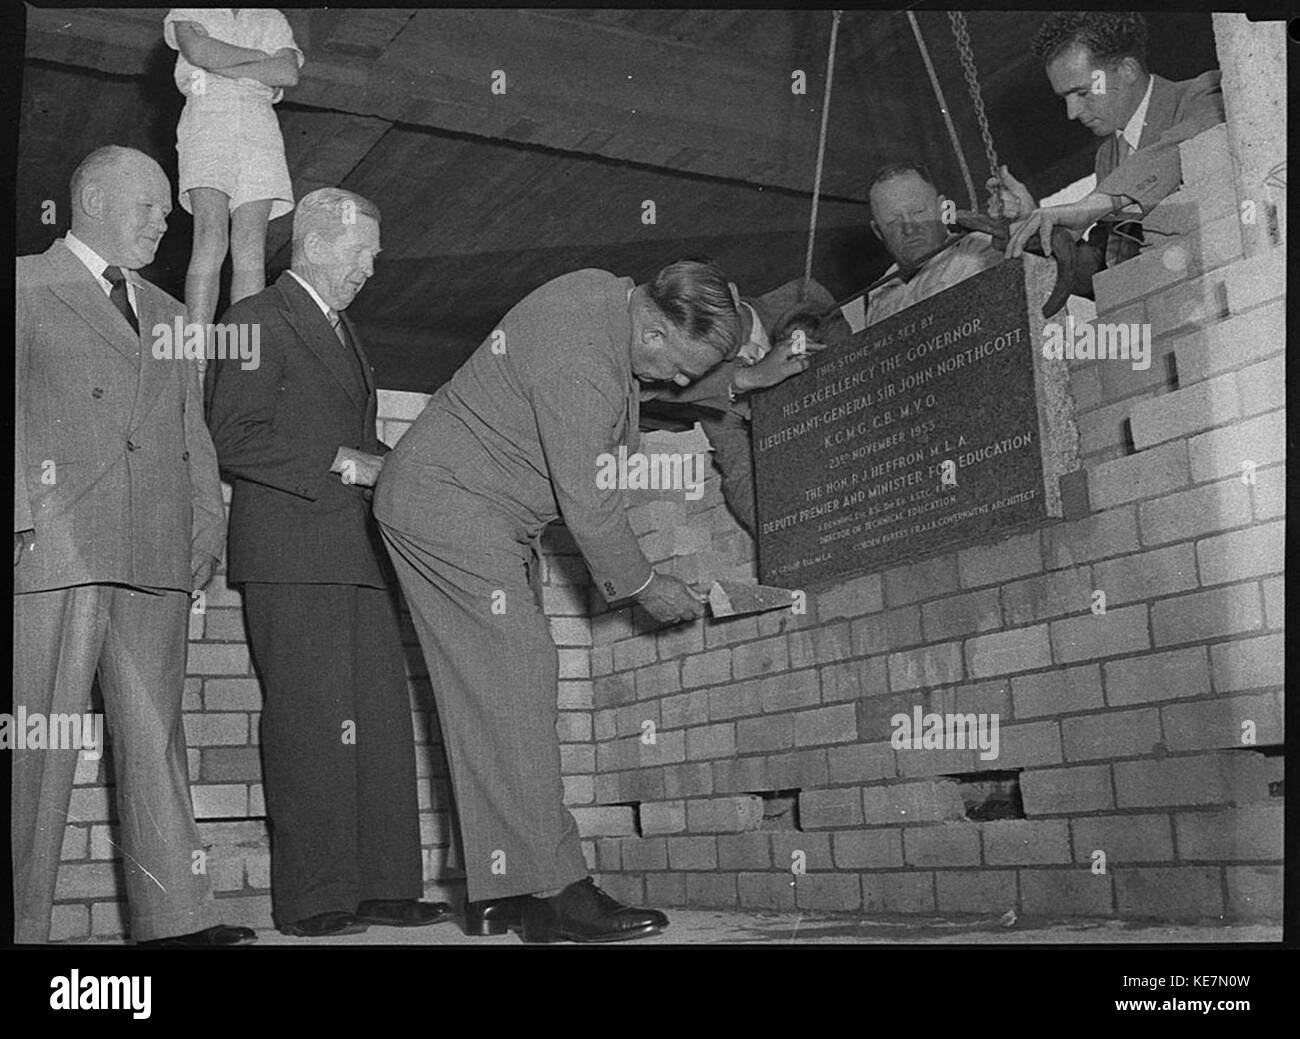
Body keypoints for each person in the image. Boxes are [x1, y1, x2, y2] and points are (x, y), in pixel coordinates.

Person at [373, 261, 742, 943]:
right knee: (519, 674)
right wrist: (642, 585)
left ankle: (500, 892)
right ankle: (558, 892)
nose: (678, 385)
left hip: (459, 501)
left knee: (486, 694)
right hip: (450, 502)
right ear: (655, 329)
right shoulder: (585, 366)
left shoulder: (604, 295)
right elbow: (590, 505)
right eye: (681, 369)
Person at [13, 145, 252, 947]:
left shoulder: (173, 315)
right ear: (89, 195)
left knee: (158, 744)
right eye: (148, 205)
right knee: (36, 749)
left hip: (155, 554)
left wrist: (205, 528)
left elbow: (193, 434)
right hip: (56, 547)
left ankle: (177, 921)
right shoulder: (21, 284)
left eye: (166, 210)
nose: (164, 221)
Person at [206, 187, 450, 938]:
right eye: (361, 251)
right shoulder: (252, 319)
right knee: (313, 724)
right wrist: (347, 462)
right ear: (313, 244)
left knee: (377, 722)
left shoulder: (344, 331)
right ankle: (314, 897)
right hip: (290, 552)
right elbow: (234, 433)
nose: (371, 267)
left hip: (356, 555)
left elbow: (363, 449)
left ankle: (384, 884)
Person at [995, 11, 1224, 277]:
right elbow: (1104, 270)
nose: (1072, 112)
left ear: (1127, 70)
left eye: (1082, 92)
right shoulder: (1108, 156)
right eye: (1065, 98)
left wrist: (1091, 205)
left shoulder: (1202, 96)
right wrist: (1036, 232)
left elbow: (1176, 150)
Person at [642, 276, 835, 536]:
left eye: (708, 321)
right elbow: (739, 475)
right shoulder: (708, 385)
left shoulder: (800, 295)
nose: (709, 340)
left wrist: (801, 339)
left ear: (732, 295)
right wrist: (786, 537)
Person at [163, 8, 304, 351]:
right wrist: (258, 59)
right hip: (207, 114)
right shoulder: (191, 8)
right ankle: (195, 352)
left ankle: (243, 356)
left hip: (260, 124)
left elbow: (287, 72)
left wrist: (218, 60)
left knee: (251, 246)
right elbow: (197, 53)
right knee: (210, 233)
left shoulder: (271, 18)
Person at [831, 161, 1003, 337]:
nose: (909, 229)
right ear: (878, 231)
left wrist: (1025, 231)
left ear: (942, 209)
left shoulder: (983, 250)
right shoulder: (870, 300)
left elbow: (1024, 265)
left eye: (919, 212)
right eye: (893, 221)